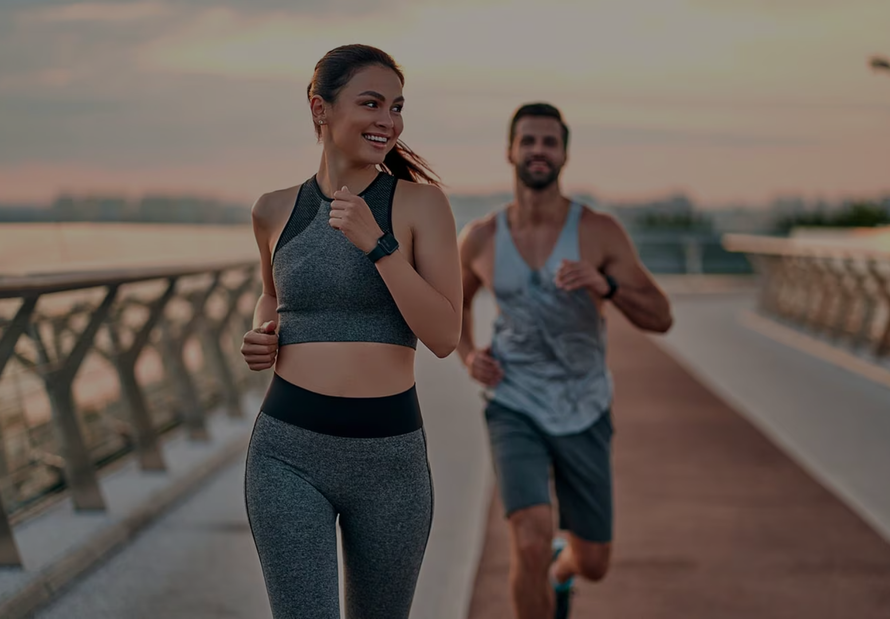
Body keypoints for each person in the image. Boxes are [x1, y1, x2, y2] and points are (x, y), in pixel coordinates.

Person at [238, 44, 463, 619]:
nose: (388, 121)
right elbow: (273, 295)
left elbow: (444, 335)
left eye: (396, 107)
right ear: (321, 108)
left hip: (391, 462)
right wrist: (260, 334)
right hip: (287, 454)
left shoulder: (420, 205)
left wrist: (379, 245)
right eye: (371, 103)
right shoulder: (272, 209)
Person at [456, 102, 673, 619]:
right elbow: (455, 302)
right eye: (528, 140)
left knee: (594, 560)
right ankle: (543, 568)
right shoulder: (482, 238)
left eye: (549, 142)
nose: (538, 150)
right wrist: (468, 355)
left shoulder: (598, 231)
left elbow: (660, 317)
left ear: (564, 154)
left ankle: (563, 571)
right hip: (514, 402)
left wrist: (608, 285)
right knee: (528, 539)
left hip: (584, 406)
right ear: (510, 150)